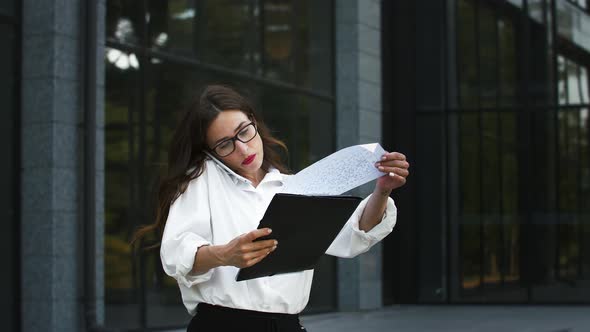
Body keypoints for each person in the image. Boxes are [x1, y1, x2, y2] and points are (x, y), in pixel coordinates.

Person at [132, 85, 410, 332]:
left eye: (244, 132)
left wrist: (382, 191)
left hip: (287, 325)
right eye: (225, 144)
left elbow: (351, 236)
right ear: (210, 151)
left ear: (254, 122)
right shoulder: (201, 179)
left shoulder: (291, 186)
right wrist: (225, 254)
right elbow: (176, 252)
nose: (242, 148)